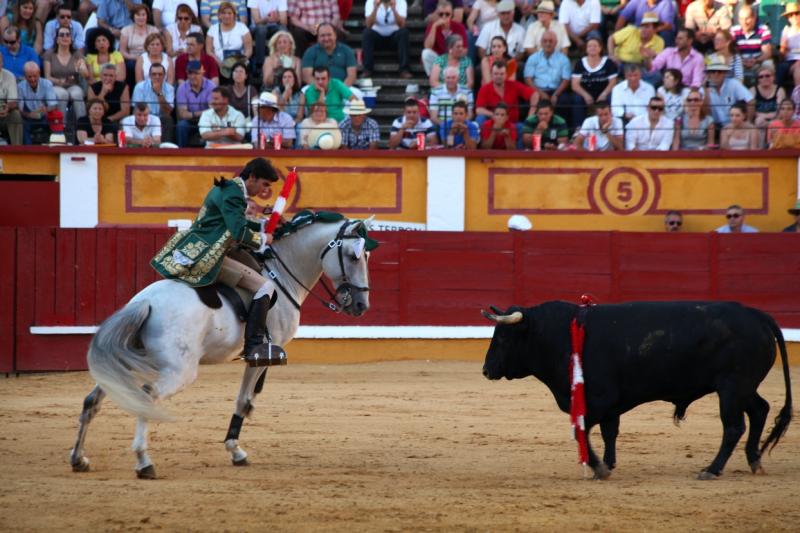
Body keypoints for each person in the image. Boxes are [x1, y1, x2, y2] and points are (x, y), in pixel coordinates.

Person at [150, 157, 287, 365]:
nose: (264, 190)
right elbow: (238, 231)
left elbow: (234, 222)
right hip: (209, 254)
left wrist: (263, 225)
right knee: (266, 286)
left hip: (195, 248)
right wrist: (263, 239)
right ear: (252, 177)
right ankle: (253, 347)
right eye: (264, 184)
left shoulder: (228, 189)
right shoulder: (235, 195)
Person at [570, 36, 618, 129]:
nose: (592, 48)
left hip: (604, 91)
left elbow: (613, 82)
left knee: (612, 97)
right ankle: (578, 128)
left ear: (600, 48)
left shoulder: (608, 63)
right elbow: (574, 85)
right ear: (586, 49)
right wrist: (585, 95)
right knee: (577, 99)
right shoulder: (580, 63)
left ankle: (610, 126)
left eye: (595, 46)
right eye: (590, 46)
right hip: (586, 92)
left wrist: (604, 94)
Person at [43, 26, 89, 122]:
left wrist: (81, 69)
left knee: (77, 94)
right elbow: (47, 77)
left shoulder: (76, 54)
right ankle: (60, 126)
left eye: (68, 35)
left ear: (71, 39)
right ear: (57, 39)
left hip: (73, 85)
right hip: (55, 85)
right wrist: (60, 81)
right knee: (63, 94)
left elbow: (86, 75)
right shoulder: (49, 54)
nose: (65, 37)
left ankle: (82, 125)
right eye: (62, 35)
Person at [475, 59, 536, 128]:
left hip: (512, 124)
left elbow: (534, 94)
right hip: (492, 124)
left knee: (522, 128)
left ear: (506, 74)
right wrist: (495, 115)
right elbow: (479, 110)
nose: (498, 76)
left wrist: (531, 114)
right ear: (491, 74)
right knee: (480, 119)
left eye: (501, 74)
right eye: (496, 74)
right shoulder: (485, 89)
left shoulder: (514, 85)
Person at [361, 0, 412, 79]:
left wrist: (394, 9)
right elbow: (368, 25)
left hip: (394, 37)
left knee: (404, 32)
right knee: (367, 33)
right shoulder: (370, 2)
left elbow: (402, 25)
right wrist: (375, 8)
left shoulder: (401, 2)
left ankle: (404, 70)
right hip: (377, 37)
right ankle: (367, 69)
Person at [523, 30, 570, 113]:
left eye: (551, 41)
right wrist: (540, 93)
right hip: (538, 90)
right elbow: (528, 79)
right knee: (530, 98)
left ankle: (561, 125)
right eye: (545, 41)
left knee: (565, 100)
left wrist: (556, 94)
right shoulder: (533, 58)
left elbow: (566, 80)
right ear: (541, 42)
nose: (548, 44)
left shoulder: (563, 59)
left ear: (556, 43)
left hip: (556, 90)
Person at [205, 2, 252, 79]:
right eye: (223, 13)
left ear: (234, 15)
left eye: (229, 13)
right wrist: (219, 63)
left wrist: (239, 63)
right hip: (218, 62)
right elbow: (209, 51)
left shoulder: (242, 28)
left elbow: (249, 50)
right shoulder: (212, 29)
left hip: (239, 61)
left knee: (240, 69)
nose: (226, 16)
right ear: (219, 15)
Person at [300, 22, 356, 86]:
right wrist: (322, 89)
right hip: (317, 88)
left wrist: (341, 90)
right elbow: (307, 76)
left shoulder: (347, 50)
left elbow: (352, 76)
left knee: (357, 94)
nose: (326, 38)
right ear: (318, 37)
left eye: (329, 35)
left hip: (342, 88)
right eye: (322, 35)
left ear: (335, 35)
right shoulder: (310, 52)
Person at [132, 62, 176, 143]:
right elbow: (136, 109)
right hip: (144, 116)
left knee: (168, 119)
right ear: (149, 75)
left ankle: (166, 148)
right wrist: (146, 116)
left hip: (161, 117)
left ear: (164, 76)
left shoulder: (170, 88)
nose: (157, 77)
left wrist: (159, 93)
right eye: (154, 74)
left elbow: (167, 112)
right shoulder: (140, 87)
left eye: (160, 74)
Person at [731, 5, 773, 87]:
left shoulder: (763, 29)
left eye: (747, 18)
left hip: (758, 62)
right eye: (741, 19)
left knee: (768, 64)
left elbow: (767, 53)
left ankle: (766, 93)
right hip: (740, 62)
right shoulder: (734, 31)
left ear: (754, 18)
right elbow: (732, 51)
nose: (744, 22)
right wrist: (741, 60)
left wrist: (755, 60)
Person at [176, 59, 215, 146]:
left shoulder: (211, 86)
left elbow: (213, 110)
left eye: (196, 73)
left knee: (213, 125)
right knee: (181, 126)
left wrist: (193, 114)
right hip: (190, 121)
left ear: (202, 73)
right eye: (190, 73)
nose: (193, 76)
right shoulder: (182, 88)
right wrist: (202, 113)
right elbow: (183, 114)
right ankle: (181, 153)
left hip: (207, 121)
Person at [422, 0, 467, 76]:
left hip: (455, 60)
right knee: (425, 53)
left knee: (464, 60)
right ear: (437, 14)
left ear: (452, 14)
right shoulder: (432, 26)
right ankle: (435, 79)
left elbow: (465, 50)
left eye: (447, 14)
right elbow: (427, 46)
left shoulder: (459, 27)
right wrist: (434, 27)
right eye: (441, 14)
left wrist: (452, 58)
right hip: (439, 59)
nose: (444, 16)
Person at [17, 61, 57, 144]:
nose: (32, 79)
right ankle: (28, 151)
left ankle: (53, 148)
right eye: (29, 77)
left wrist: (46, 109)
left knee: (55, 122)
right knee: (22, 125)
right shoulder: (20, 86)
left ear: (39, 73)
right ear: (25, 76)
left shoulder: (47, 84)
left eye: (35, 76)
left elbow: (53, 105)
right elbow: (19, 109)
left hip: (45, 116)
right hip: (28, 118)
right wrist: (29, 114)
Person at [704, 62, 754, 128]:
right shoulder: (705, 89)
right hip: (714, 126)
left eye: (719, 71)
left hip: (734, 124)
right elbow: (706, 114)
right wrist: (705, 91)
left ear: (724, 73)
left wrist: (747, 122)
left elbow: (751, 101)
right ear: (709, 74)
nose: (716, 74)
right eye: (713, 71)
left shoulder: (733, 83)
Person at [120, 4, 160, 81]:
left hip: (151, 57)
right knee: (131, 66)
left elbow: (158, 47)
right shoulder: (126, 30)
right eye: (138, 15)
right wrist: (136, 58)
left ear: (147, 16)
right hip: (132, 58)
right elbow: (122, 51)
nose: (141, 18)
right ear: (133, 16)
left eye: (143, 15)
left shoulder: (154, 30)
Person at [248, 0, 287, 72]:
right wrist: (267, 19)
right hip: (257, 28)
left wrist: (276, 18)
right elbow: (256, 21)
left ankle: (284, 62)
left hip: (274, 26)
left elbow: (284, 21)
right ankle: (260, 65)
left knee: (283, 29)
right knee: (261, 29)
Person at [751, 66, 785, 131]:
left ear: (773, 77)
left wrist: (769, 118)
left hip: (775, 117)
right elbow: (751, 109)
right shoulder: (753, 90)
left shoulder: (780, 90)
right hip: (758, 119)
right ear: (758, 79)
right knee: (759, 122)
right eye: (761, 77)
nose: (764, 78)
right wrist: (762, 116)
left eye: (767, 76)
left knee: (775, 125)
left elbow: (780, 109)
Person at [0, 52, 23, 144]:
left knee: (15, 115)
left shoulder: (9, 76)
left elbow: (13, 101)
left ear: (2, 63)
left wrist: (7, 108)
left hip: (4, 113)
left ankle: (17, 150)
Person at [778, 3, 800, 89]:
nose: (794, 17)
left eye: (797, 14)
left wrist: (792, 51)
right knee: (780, 67)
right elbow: (782, 55)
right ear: (788, 18)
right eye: (790, 15)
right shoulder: (786, 31)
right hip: (789, 61)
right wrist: (783, 48)